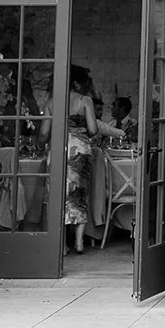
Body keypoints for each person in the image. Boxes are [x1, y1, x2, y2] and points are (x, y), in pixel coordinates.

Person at [64, 65, 101, 254]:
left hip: (60, 149)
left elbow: (44, 132)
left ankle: (61, 245)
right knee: (79, 194)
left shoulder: (53, 100)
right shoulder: (84, 100)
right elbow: (93, 129)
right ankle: (79, 242)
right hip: (80, 150)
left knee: (59, 195)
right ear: (77, 83)